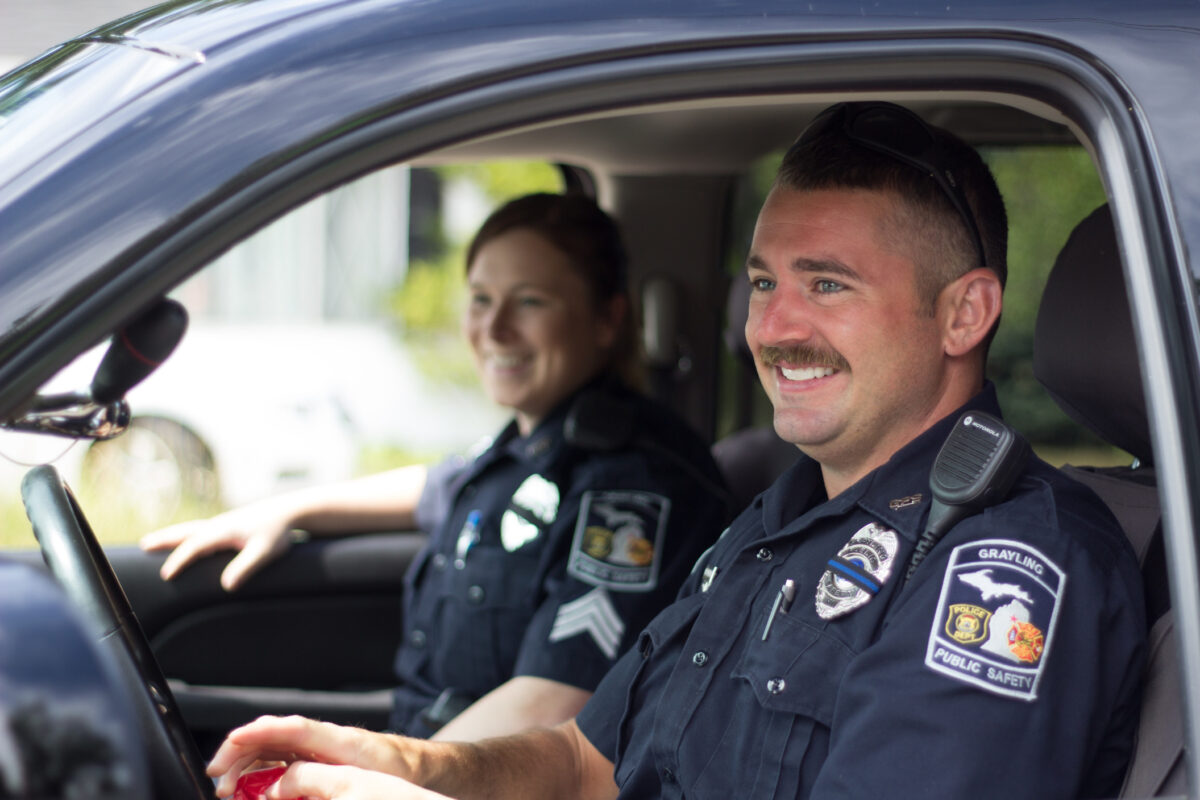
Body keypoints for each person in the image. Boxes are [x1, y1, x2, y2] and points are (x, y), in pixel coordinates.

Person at [203, 102, 1147, 800]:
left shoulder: (1006, 566)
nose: (771, 327)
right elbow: (586, 762)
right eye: (764, 280)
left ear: (964, 314)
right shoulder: (775, 524)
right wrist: (410, 765)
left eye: (826, 285)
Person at [140, 192, 731, 742]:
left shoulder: (636, 486)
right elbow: (436, 486)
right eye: (480, 299)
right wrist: (289, 509)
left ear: (607, 319)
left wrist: (375, 780)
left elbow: (551, 706)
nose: (494, 329)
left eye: (529, 301)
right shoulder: (529, 446)